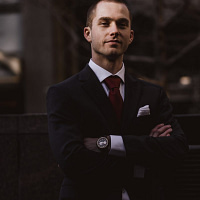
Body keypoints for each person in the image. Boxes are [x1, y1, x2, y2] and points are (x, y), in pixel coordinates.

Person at [47, 0, 188, 199]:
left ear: (130, 36)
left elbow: (177, 149)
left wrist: (107, 143)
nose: (114, 30)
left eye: (122, 24)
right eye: (104, 23)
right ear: (88, 33)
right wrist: (141, 163)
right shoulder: (63, 93)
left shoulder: (152, 94)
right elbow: (72, 160)